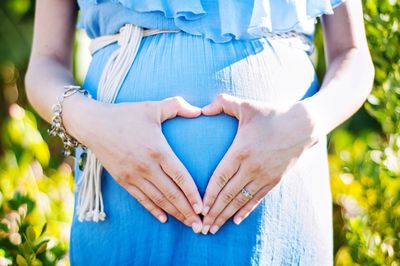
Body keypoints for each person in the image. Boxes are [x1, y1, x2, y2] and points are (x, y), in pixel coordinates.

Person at [25, 0, 374, 265]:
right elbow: (44, 64)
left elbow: (353, 55)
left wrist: (305, 123)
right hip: (123, 197)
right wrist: (94, 124)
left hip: (280, 193)